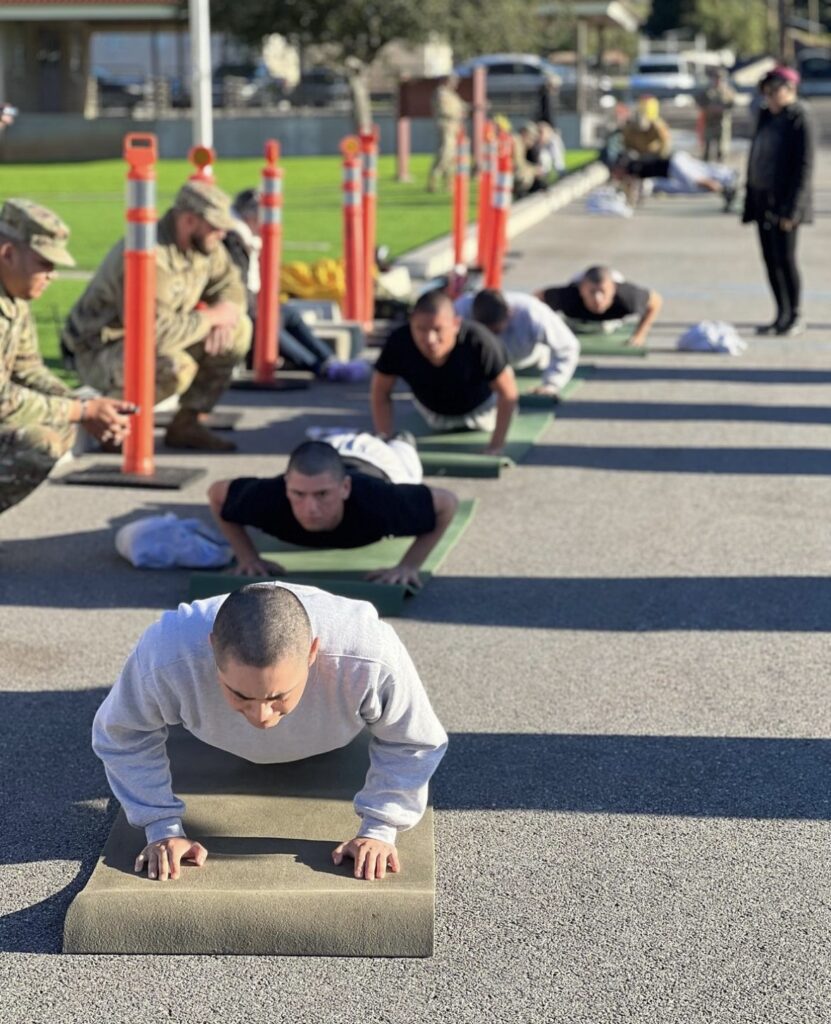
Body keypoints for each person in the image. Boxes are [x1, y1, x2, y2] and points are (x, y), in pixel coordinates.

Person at [92, 582, 448, 882]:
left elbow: (413, 739)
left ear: (312, 653)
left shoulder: (370, 656)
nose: (261, 716)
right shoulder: (164, 653)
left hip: (337, 741)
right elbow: (122, 733)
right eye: (241, 694)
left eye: (278, 696)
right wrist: (160, 826)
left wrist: (380, 828)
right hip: (209, 739)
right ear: (213, 646)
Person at [62, 179, 252, 452]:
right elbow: (152, 334)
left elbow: (231, 286)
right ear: (188, 221)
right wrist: (212, 318)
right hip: (100, 349)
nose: (222, 234)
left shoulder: (205, 247)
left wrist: (227, 312)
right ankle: (116, 427)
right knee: (175, 366)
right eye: (216, 227)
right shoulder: (151, 255)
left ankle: (187, 423)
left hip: (151, 339)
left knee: (239, 329)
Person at [0, 199, 135, 514]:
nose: (53, 276)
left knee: (57, 428)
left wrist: (90, 410)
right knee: (38, 443)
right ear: (8, 255)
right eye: (45, 264)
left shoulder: (13, 296)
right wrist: (82, 409)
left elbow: (27, 368)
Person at [208, 439, 458, 589]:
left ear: (345, 488)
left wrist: (409, 566)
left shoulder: (380, 502)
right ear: (286, 486)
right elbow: (216, 493)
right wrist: (247, 557)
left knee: (404, 457)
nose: (310, 509)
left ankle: (400, 441)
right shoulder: (268, 498)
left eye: (322, 495)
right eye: (298, 494)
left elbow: (447, 504)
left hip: (380, 460)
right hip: (334, 449)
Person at [371, 289, 518, 457]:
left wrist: (496, 445)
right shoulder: (398, 342)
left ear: (455, 324)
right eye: (420, 329)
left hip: (483, 414)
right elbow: (380, 392)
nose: (430, 339)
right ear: (411, 323)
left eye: (438, 329)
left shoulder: (480, 341)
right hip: (432, 415)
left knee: (507, 378)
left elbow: (508, 394)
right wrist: (385, 440)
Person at [224, 188, 338, 378]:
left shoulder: (248, 240)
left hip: (251, 302)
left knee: (288, 315)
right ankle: (320, 367)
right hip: (240, 307)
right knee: (266, 322)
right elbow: (236, 285)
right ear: (250, 217)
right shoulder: (233, 240)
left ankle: (329, 359)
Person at [742, 66, 814, 337]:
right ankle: (780, 314)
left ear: (790, 90)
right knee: (770, 260)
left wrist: (793, 210)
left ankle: (794, 314)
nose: (770, 97)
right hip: (763, 200)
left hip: (786, 203)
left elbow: (804, 167)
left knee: (786, 259)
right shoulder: (766, 116)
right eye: (767, 92)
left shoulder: (799, 118)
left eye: (775, 91)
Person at [455, 289, 580, 398]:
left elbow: (568, 346)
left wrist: (552, 384)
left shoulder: (532, 312)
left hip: (529, 361)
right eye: (485, 332)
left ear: (509, 313)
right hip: (479, 366)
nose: (491, 339)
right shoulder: (459, 311)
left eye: (496, 331)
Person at [537, 266, 663, 349]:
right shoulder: (568, 296)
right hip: (575, 320)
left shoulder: (627, 297)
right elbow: (536, 299)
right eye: (592, 292)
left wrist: (640, 334)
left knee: (607, 327)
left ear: (613, 290)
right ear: (582, 289)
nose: (598, 299)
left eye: (603, 292)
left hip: (612, 322)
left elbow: (656, 301)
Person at [427, 75, 468, 193]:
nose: (455, 84)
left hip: (455, 127)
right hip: (446, 126)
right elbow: (445, 110)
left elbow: (462, 106)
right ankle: (433, 180)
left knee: (452, 157)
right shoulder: (441, 93)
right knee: (445, 153)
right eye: (453, 81)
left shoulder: (452, 94)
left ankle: (449, 184)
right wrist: (458, 113)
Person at [696, 68, 735, 162]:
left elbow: (731, 104)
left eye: (720, 78)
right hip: (709, 122)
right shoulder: (708, 91)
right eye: (716, 78)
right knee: (707, 149)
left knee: (721, 149)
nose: (718, 80)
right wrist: (709, 108)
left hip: (722, 123)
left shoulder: (728, 91)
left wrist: (722, 109)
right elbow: (700, 102)